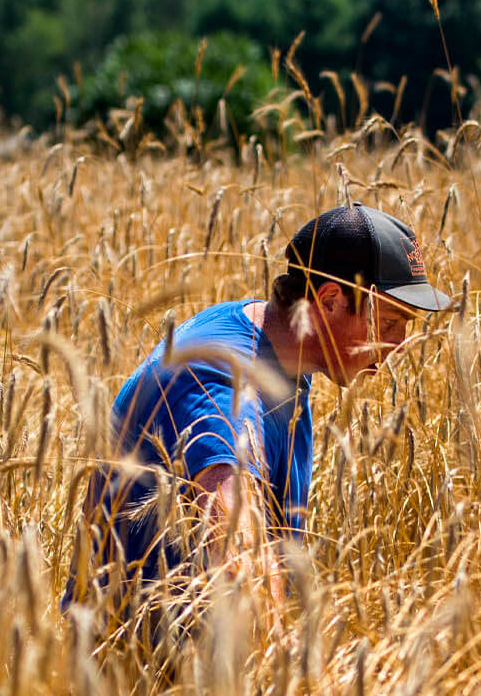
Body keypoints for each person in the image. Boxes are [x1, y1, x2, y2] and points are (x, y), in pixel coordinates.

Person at [71, 203, 451, 618]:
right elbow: (243, 571)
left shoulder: (275, 338)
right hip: (138, 670)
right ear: (329, 300)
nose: (398, 345)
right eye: (391, 323)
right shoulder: (224, 383)